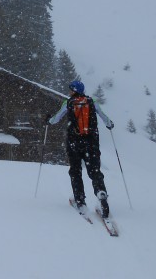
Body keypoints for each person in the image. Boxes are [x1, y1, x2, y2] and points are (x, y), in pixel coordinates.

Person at [48, 80, 114, 218]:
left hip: (74, 142)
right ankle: (101, 193)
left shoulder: (68, 103)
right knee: (94, 170)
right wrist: (109, 124)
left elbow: (55, 119)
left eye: (70, 89)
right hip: (92, 142)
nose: (69, 91)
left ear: (74, 90)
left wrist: (48, 120)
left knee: (76, 171)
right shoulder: (92, 101)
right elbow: (104, 118)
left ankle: (80, 201)